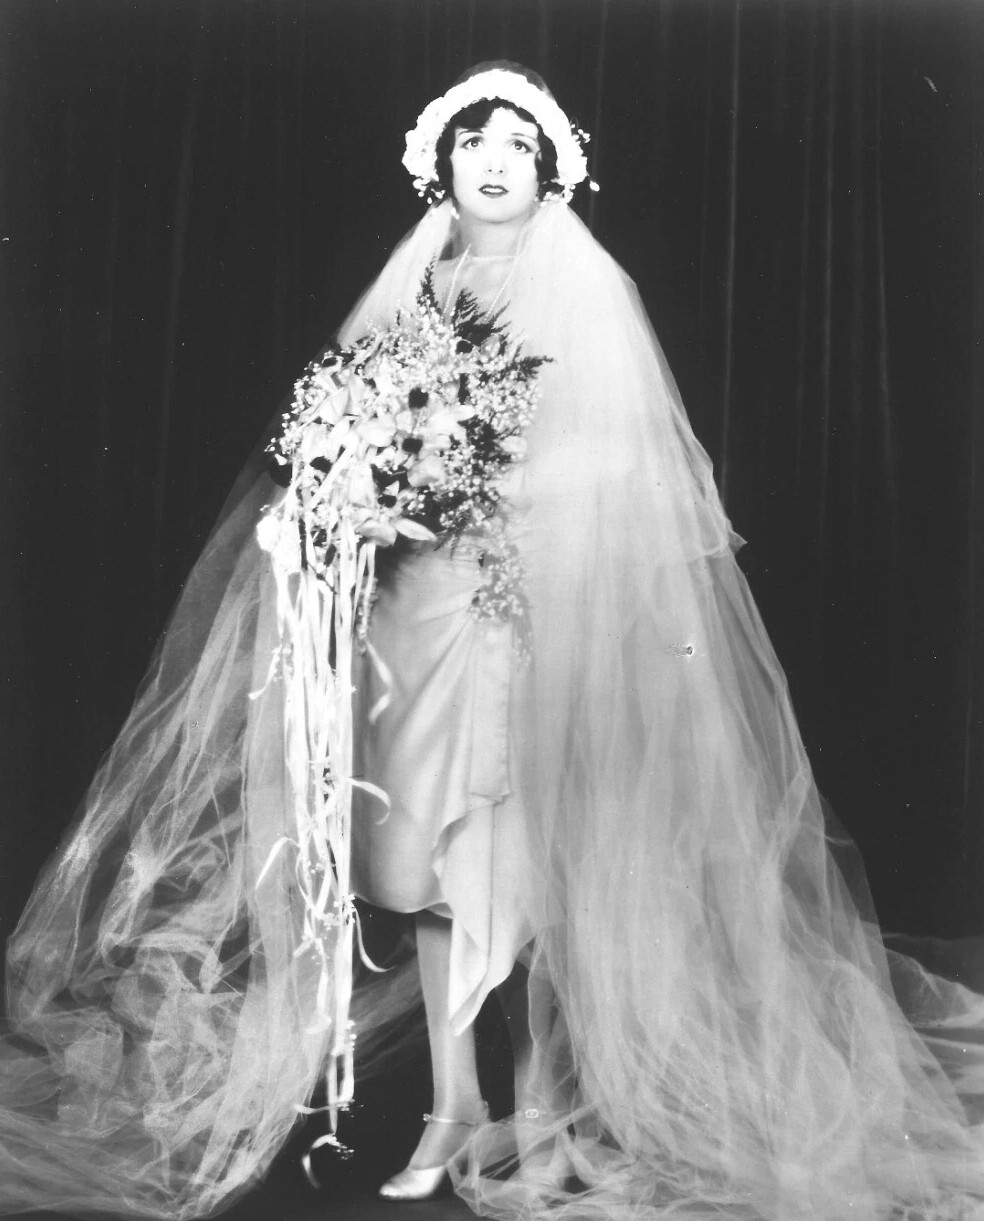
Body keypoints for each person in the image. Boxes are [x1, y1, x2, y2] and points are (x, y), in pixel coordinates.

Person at [0, 59, 983, 1221]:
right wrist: (369, 499)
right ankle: (458, 1099)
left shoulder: (587, 285)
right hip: (418, 616)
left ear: (550, 165)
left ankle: (555, 1095)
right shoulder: (412, 286)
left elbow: (626, 464)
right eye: (476, 141)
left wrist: (491, 491)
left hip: (539, 616)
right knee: (426, 863)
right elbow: (333, 444)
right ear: (441, 164)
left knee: (541, 856)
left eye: (520, 143)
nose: (498, 161)